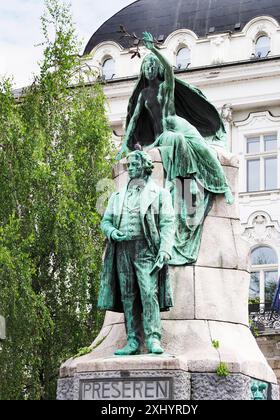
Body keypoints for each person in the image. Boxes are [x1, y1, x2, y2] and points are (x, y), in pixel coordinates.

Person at [116, 32, 234, 265]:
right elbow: (132, 122)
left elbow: (170, 70)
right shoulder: (143, 95)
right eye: (146, 65)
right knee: (177, 144)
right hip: (166, 136)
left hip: (181, 127)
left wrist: (154, 50)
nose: (149, 68)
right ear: (142, 71)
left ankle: (223, 187)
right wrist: (123, 146)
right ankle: (185, 187)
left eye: (152, 65)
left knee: (203, 151)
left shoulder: (164, 88)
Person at [98, 149, 175, 355]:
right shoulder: (117, 196)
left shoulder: (160, 194)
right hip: (123, 249)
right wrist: (112, 231)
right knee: (128, 296)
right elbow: (105, 222)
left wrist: (165, 249)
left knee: (149, 293)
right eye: (128, 165)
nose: (130, 169)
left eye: (134, 165)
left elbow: (168, 223)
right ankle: (132, 340)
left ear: (145, 166)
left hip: (146, 248)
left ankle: (153, 338)